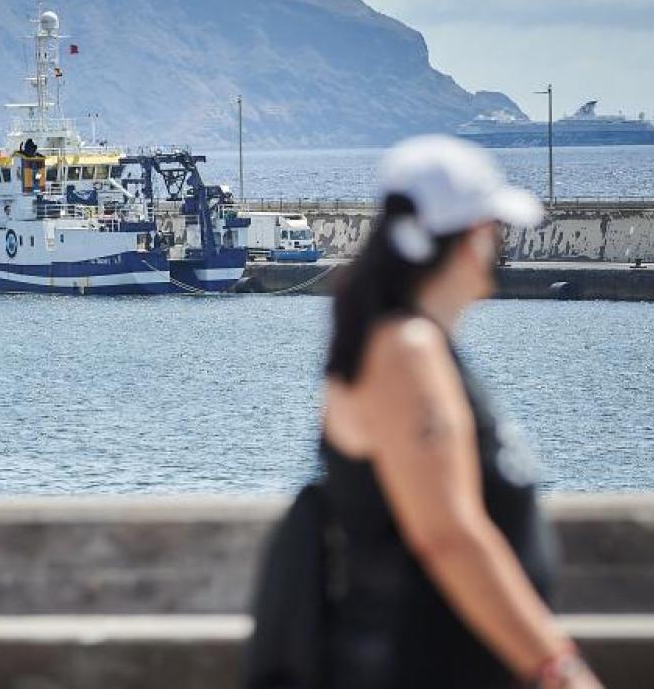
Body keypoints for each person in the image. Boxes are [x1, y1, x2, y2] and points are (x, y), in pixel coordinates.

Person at [248, 135, 604, 689]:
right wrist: (559, 670)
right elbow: (447, 534)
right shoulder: (404, 353)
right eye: (496, 230)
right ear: (470, 239)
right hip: (415, 666)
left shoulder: (407, 343)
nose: (501, 247)